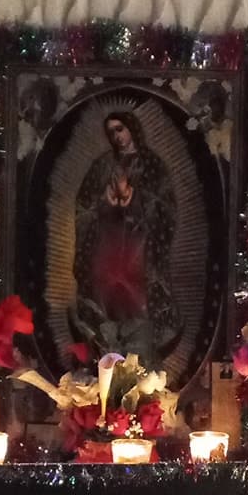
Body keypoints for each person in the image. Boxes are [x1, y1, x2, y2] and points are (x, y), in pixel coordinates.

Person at [72, 110, 179, 360]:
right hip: (107, 243)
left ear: (132, 128)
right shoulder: (103, 165)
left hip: (139, 246)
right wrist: (104, 202)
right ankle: (107, 349)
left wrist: (136, 199)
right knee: (104, 291)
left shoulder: (151, 164)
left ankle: (139, 354)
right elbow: (84, 205)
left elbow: (166, 206)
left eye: (120, 129)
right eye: (111, 132)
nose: (116, 136)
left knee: (137, 296)